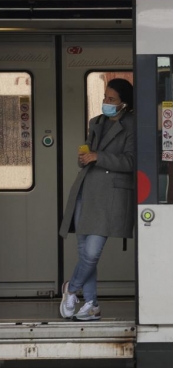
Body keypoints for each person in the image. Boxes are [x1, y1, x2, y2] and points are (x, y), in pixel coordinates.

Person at [59, 78, 135, 321]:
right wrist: (84, 157)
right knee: (84, 253)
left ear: (124, 103)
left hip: (109, 197)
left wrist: (97, 157)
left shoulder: (132, 125)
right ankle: (91, 304)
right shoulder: (96, 122)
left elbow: (131, 162)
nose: (106, 103)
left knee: (91, 254)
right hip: (85, 190)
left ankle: (70, 288)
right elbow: (88, 154)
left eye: (111, 99)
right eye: (105, 98)